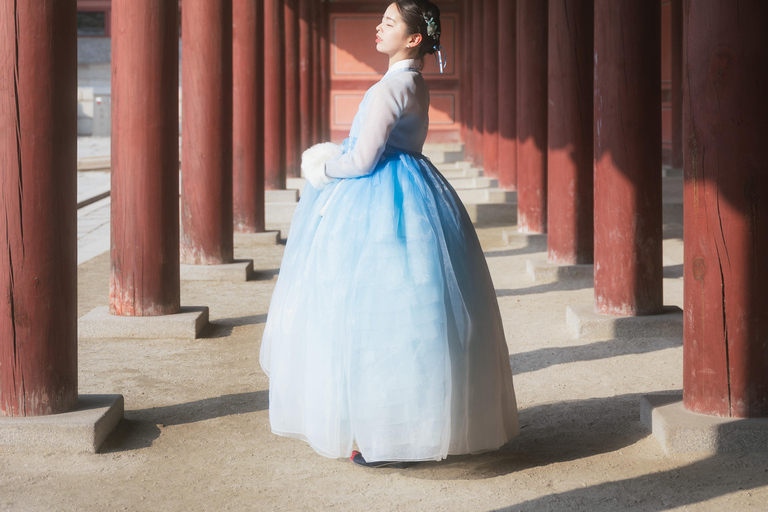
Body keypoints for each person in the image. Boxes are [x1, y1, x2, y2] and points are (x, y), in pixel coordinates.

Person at [260, 0, 518, 468]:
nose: (379, 27)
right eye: (381, 19)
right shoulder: (415, 82)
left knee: (361, 313)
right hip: (416, 190)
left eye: (391, 22)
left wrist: (323, 168)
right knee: (414, 314)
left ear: (414, 38)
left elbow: (362, 162)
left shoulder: (387, 89)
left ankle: (373, 432)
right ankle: (408, 425)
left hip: (375, 201)